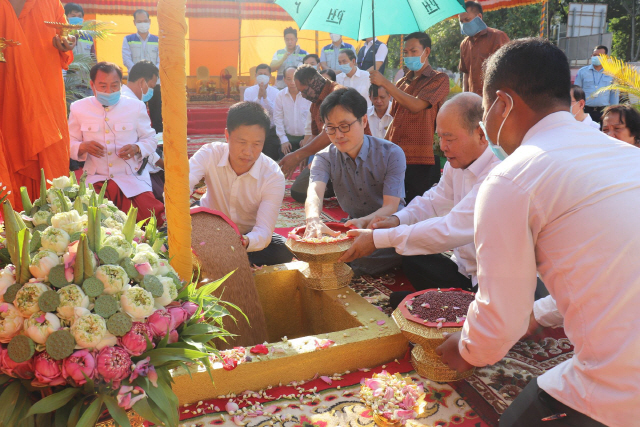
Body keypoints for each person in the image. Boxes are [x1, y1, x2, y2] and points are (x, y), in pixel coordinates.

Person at [435, 38, 640, 427]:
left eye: (484, 109)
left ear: (503, 104)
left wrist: (464, 349)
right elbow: (606, 267)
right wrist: (540, 314)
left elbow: (502, 322)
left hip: (622, 389)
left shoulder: (512, 178)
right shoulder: (629, 155)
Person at [341, 93, 500, 304]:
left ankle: (462, 304)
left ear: (481, 134)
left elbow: (450, 229)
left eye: (449, 138)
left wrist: (377, 239)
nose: (442, 146)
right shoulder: (459, 162)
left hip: (496, 280)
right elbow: (433, 201)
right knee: (412, 257)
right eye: (440, 137)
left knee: (404, 302)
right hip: (466, 270)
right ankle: (456, 300)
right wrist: (396, 220)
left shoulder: (499, 173)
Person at [306, 88, 405, 275]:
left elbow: (391, 207)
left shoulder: (392, 153)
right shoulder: (324, 157)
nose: (338, 135)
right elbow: (314, 192)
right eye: (331, 128)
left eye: (344, 126)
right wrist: (313, 219)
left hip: (386, 225)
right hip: (353, 225)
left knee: (361, 258)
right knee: (316, 246)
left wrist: (365, 222)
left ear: (364, 121)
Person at [188, 102, 291, 266]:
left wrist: (243, 242)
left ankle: (221, 257)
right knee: (168, 242)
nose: (248, 152)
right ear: (227, 136)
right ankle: (228, 258)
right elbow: (181, 185)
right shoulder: (209, 154)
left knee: (284, 251)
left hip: (244, 236)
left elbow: (264, 231)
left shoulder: (272, 175)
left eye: (257, 144)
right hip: (208, 226)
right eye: (242, 142)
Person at [68, 62, 165, 224]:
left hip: (131, 178)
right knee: (91, 223)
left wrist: (137, 148)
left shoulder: (135, 107)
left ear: (121, 84)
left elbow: (150, 140)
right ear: (92, 85)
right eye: (103, 86)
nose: (109, 91)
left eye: (114, 86)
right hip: (96, 178)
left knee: (152, 220)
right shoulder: (79, 108)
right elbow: (69, 142)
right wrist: (83, 147)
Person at [3, 0, 75, 208]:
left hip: (45, 92)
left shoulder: (51, 2)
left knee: (49, 158)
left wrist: (66, 43)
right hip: (6, 83)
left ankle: (50, 221)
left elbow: (66, 39)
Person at [370, 32, 450, 203]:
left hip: (422, 157)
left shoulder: (438, 79)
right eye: (405, 52)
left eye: (414, 51)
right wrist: (381, 146)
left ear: (426, 51)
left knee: (420, 208)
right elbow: (395, 119)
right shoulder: (401, 83)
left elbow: (416, 106)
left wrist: (385, 83)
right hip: (397, 155)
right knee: (396, 206)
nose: (409, 56)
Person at [121, 60, 165, 202]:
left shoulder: (123, 97)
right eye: (151, 86)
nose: (151, 91)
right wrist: (162, 164)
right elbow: (143, 143)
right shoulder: (134, 104)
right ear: (142, 82)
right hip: (129, 165)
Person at [122, 9, 163, 133]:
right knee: (137, 114)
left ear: (150, 21)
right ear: (134, 22)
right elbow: (126, 59)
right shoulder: (128, 39)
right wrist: (140, 75)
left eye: (145, 21)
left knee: (156, 115)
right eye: (139, 21)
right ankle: (138, 141)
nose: (142, 23)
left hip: (154, 84)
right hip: (136, 85)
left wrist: (151, 76)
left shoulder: (158, 40)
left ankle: (158, 146)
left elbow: (160, 60)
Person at [458, 1, 509, 96]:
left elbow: (507, 72)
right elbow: (466, 73)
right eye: (461, 21)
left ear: (479, 17)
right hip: (473, 101)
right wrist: (465, 96)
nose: (464, 24)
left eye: (467, 19)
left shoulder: (497, 37)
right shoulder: (464, 44)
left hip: (494, 99)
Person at [243, 64, 281, 161]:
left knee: (271, 157)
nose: (263, 76)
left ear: (270, 76)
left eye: (265, 74)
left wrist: (265, 98)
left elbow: (275, 112)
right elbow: (249, 112)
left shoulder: (276, 92)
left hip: (270, 130)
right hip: (253, 130)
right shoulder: (249, 91)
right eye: (260, 74)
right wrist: (259, 97)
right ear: (255, 75)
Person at [574, 45, 619, 124]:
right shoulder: (582, 72)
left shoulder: (611, 73)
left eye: (600, 55)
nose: (597, 57)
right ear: (591, 56)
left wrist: (614, 111)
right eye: (595, 55)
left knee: (603, 133)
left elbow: (614, 94)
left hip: (604, 111)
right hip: (585, 110)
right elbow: (577, 91)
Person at [274, 67, 312, 157]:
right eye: (289, 79)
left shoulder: (308, 94)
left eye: (295, 78)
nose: (292, 82)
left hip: (306, 138)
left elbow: (313, 118)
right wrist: (283, 140)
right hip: (288, 139)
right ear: (284, 80)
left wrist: (307, 138)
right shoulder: (280, 95)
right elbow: (278, 118)